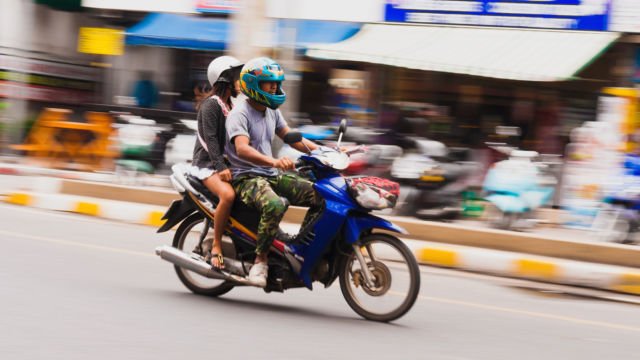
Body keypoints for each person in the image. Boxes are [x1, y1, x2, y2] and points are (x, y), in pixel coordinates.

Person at [225, 57, 323, 287]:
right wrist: (274, 162)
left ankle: (300, 247)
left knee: (320, 195)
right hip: (245, 177)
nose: (275, 88)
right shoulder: (240, 113)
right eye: (269, 84)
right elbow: (242, 148)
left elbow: (292, 138)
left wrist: (328, 151)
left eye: (277, 83)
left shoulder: (271, 110)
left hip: (269, 173)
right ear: (253, 85)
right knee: (275, 204)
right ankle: (261, 260)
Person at [190, 55, 243, 269]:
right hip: (207, 166)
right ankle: (217, 246)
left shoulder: (230, 106)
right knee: (228, 195)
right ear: (225, 80)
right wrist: (220, 167)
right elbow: (211, 139)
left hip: (224, 165)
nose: (240, 82)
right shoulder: (211, 105)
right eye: (237, 78)